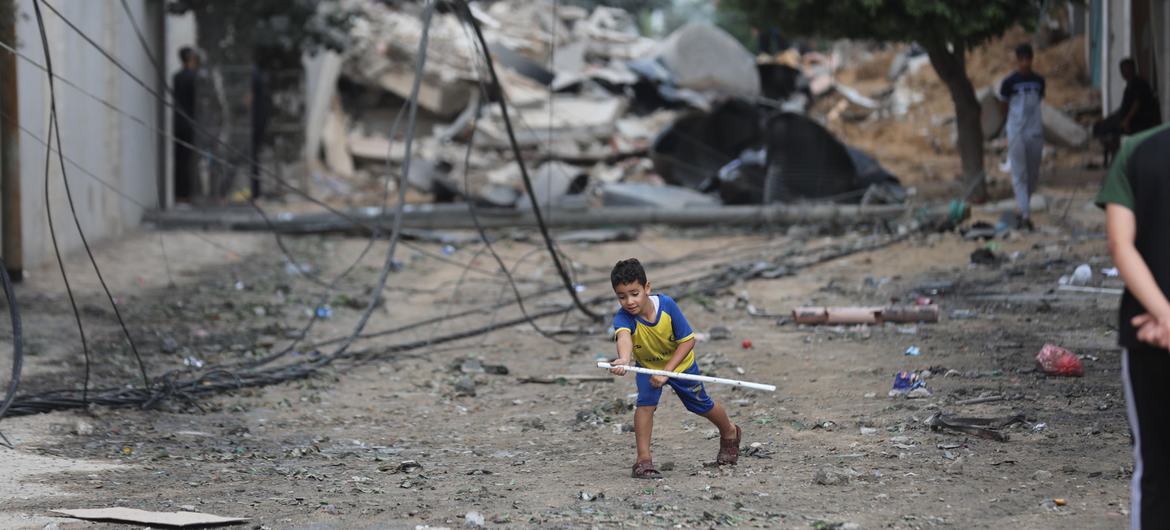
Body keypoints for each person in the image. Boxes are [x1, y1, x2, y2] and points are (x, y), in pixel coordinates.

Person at [1097, 121, 1170, 529]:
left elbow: (1120, 245)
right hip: (1153, 335)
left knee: (1156, 471)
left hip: (1150, 337)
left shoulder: (1136, 151)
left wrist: (1164, 314)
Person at [606, 258, 741, 479]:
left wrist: (667, 372)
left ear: (647, 288)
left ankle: (729, 431)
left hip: (680, 365)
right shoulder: (623, 318)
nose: (629, 301)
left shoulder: (667, 306)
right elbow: (624, 337)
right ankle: (643, 460)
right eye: (622, 297)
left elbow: (688, 341)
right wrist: (623, 360)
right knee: (645, 406)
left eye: (634, 293)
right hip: (648, 368)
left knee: (700, 405)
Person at [998, 43, 1045, 231]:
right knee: (1019, 173)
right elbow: (1003, 106)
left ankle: (1024, 206)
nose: (1025, 63)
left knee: (1033, 174)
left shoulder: (1039, 81)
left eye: (1028, 59)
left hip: (1035, 131)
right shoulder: (1009, 83)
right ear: (1018, 60)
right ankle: (1025, 214)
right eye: (1022, 59)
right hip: (1016, 131)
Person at [1094, 58, 1164, 164]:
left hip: (1139, 121)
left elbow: (1137, 103)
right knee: (1100, 126)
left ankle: (1116, 158)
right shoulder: (1129, 85)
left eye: (1126, 69)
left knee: (1109, 130)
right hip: (1127, 118)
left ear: (1132, 69)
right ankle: (1110, 154)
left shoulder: (1138, 83)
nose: (1123, 72)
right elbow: (1125, 107)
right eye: (1122, 70)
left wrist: (1126, 120)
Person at [172, 47, 199, 203]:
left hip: (178, 123)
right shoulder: (193, 77)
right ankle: (186, 195)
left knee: (180, 160)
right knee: (188, 161)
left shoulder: (176, 77)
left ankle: (180, 194)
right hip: (189, 124)